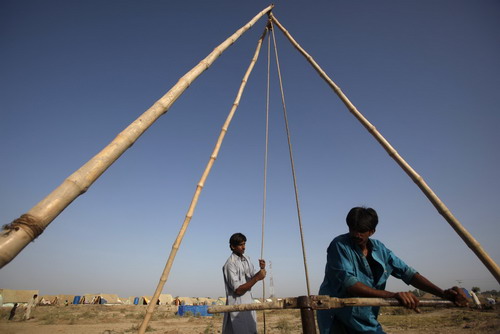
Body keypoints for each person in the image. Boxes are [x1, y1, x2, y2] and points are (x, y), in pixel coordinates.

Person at [317, 207, 468, 334]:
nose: (356, 234)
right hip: (336, 314)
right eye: (353, 229)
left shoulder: (380, 249)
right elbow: (350, 284)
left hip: (363, 315)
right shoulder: (339, 245)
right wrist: (394, 295)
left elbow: (408, 274)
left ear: (372, 231)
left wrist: (443, 294)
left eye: (362, 231)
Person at [222, 233, 266, 334]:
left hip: (249, 304)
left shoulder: (247, 259)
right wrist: (257, 278)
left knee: (251, 330)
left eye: (244, 244)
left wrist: (262, 269)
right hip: (237, 306)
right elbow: (238, 290)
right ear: (233, 246)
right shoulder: (229, 265)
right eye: (241, 245)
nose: (244, 247)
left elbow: (252, 277)